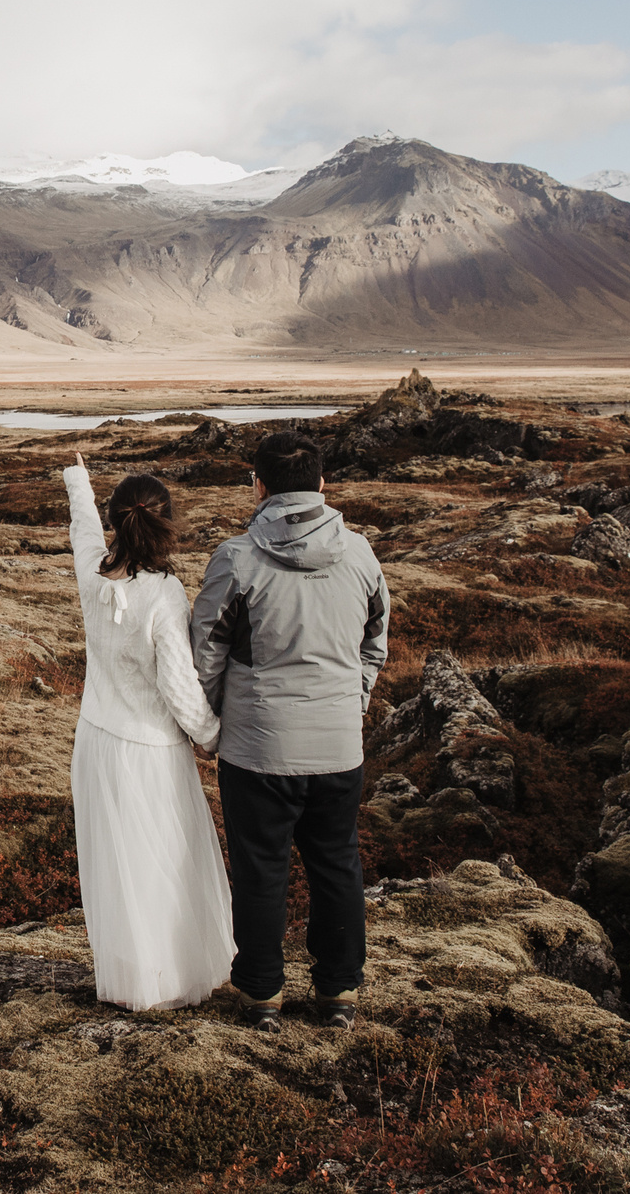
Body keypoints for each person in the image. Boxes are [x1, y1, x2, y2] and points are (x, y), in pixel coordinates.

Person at [190, 428, 389, 1032]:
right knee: (338, 865)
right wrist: (351, 701)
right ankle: (339, 993)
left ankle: (262, 996)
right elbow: (374, 640)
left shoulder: (235, 557)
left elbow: (206, 650)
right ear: (322, 484)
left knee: (260, 869)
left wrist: (220, 719)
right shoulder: (360, 554)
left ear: (258, 485)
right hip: (338, 746)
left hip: (258, 749)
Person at [61, 453, 233, 1010]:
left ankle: (133, 979)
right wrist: (211, 737)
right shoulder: (164, 594)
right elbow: (179, 685)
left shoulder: (92, 573)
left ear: (118, 522)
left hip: (96, 742)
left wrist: (78, 479)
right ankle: (168, 979)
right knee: (163, 863)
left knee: (118, 867)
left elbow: (82, 527)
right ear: (164, 524)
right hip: (151, 751)